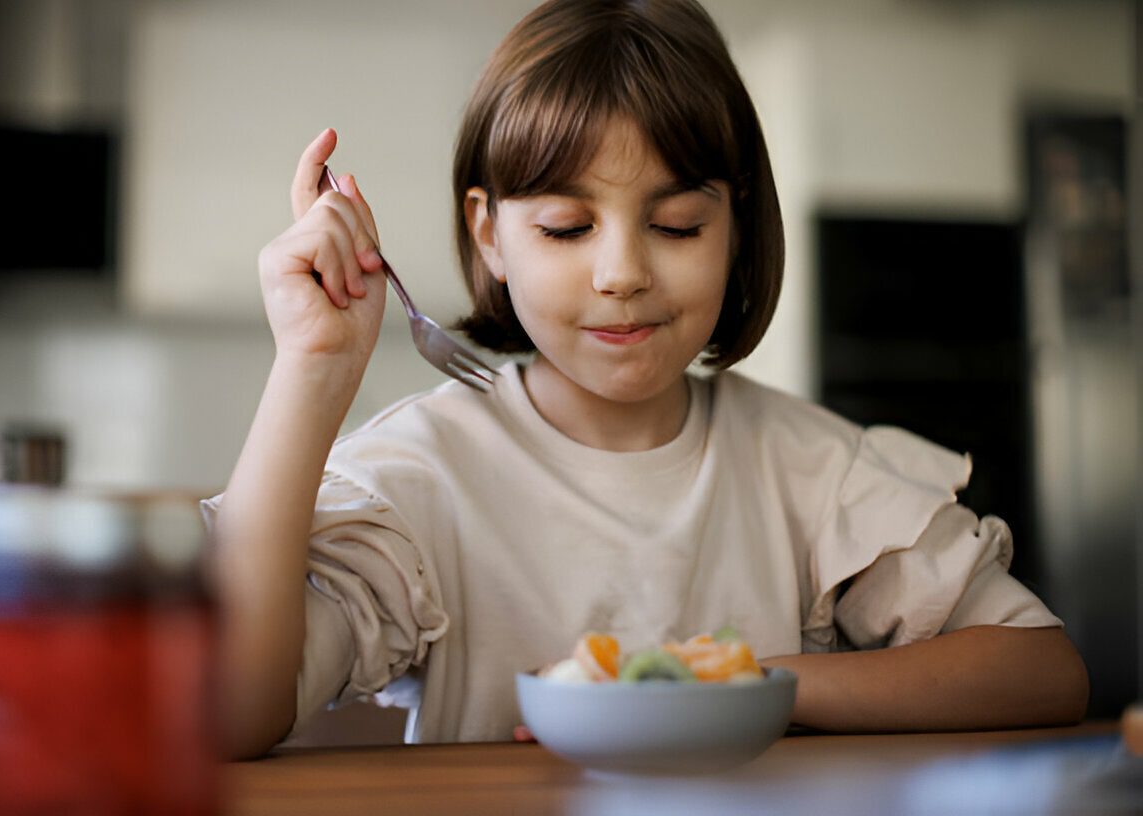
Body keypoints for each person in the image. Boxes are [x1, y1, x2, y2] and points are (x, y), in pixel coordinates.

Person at [205, 0, 1088, 759]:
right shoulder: (428, 474)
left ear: (735, 227)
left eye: (674, 224)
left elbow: (1041, 669)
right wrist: (313, 371)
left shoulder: (808, 468)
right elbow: (230, 710)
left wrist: (751, 685)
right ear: (489, 236)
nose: (622, 272)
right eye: (564, 227)